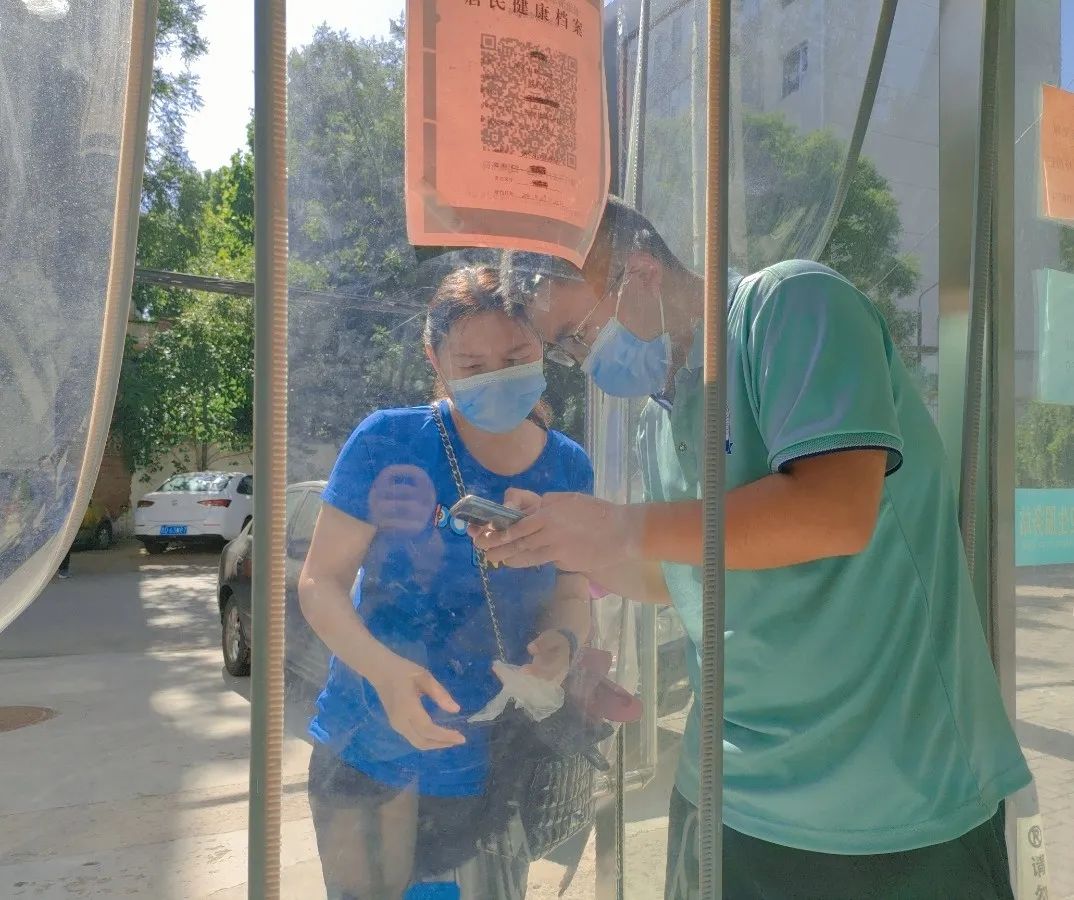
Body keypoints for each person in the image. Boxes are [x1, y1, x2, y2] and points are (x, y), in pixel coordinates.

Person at [473, 196, 1032, 899]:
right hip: (725, 794)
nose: (582, 362)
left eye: (576, 336)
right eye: (566, 351)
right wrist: (562, 546)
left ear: (641, 271)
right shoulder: (659, 419)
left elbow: (834, 509)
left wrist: (618, 526)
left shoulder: (790, 303)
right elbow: (679, 572)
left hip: (890, 795)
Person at [297, 265, 594, 900]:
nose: (496, 377)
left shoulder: (568, 466)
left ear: (542, 347)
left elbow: (573, 590)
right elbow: (320, 582)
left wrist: (563, 643)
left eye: (515, 357)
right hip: (368, 747)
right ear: (435, 359)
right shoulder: (389, 440)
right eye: (472, 364)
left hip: (495, 763)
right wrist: (384, 672)